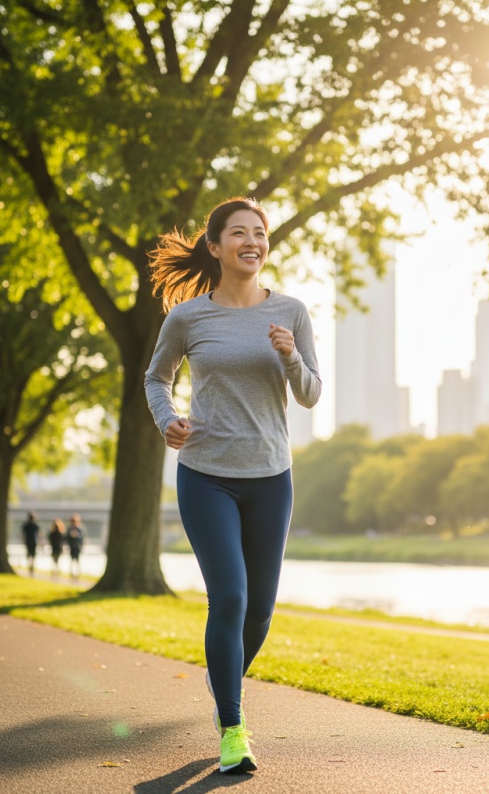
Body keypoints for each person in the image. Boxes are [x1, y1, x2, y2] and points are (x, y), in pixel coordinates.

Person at [144, 197, 321, 774]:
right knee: (231, 597)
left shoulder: (291, 311)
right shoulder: (189, 317)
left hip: (271, 476)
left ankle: (223, 678)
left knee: (260, 613)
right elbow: (156, 377)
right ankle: (232, 728)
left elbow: (312, 392)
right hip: (206, 474)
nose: (252, 242)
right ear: (215, 246)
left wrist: (291, 358)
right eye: (238, 233)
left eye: (260, 233)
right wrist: (167, 419)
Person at [66, 514, 84, 578]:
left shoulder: (79, 529)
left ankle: (78, 573)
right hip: (71, 546)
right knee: (72, 560)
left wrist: (76, 536)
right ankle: (72, 572)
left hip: (77, 547)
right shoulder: (69, 529)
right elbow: (67, 538)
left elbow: (82, 538)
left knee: (77, 560)